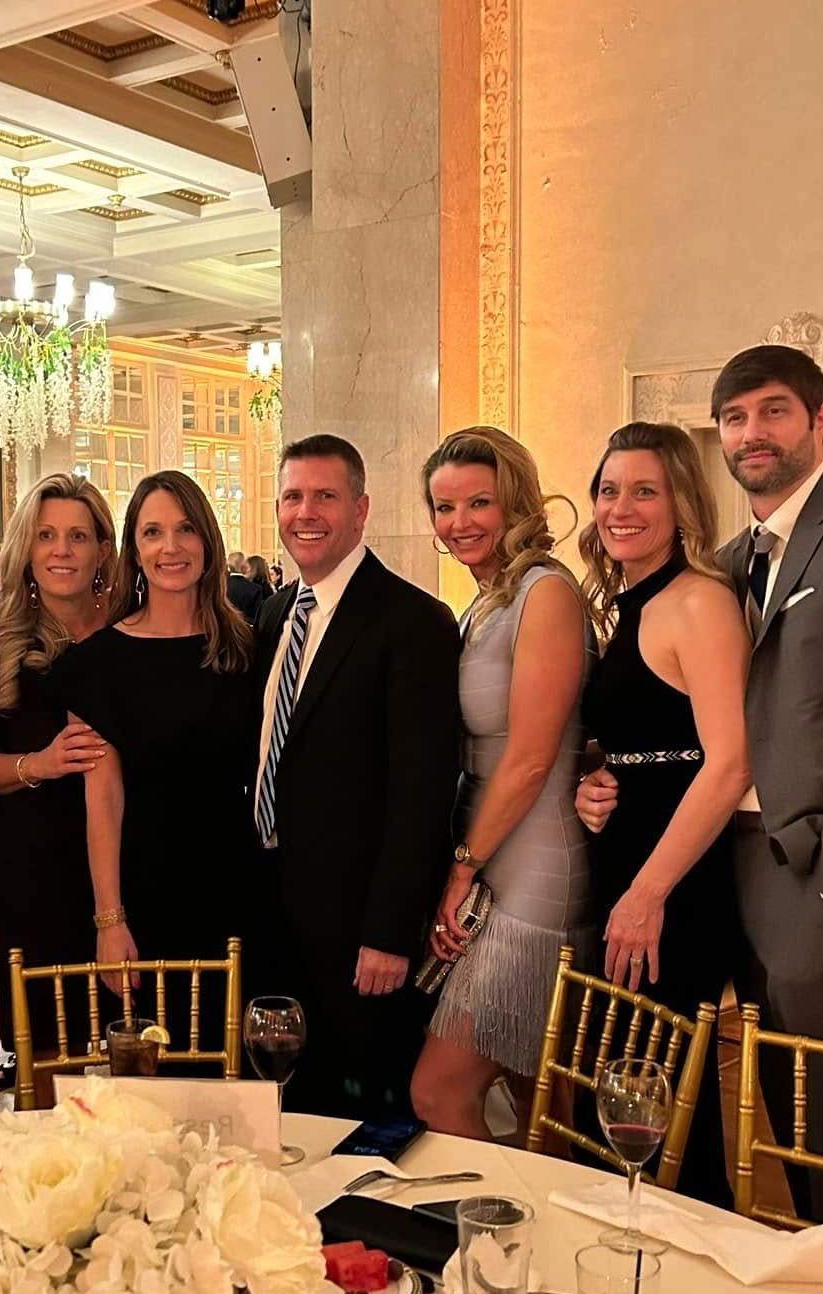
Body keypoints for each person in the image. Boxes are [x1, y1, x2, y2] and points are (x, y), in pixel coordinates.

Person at [583, 347, 823, 1286]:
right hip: (736, 867)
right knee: (786, 1127)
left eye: (774, 412)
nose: (753, 434)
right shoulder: (734, 560)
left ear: (820, 422)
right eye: (736, 419)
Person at [569, 421, 752, 1206]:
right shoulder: (629, 602)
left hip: (673, 886)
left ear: (681, 503)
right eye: (610, 490)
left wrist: (648, 895)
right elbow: (646, 743)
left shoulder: (699, 601)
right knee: (617, 1098)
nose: (621, 507)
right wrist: (597, 785)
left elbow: (730, 762)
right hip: (629, 867)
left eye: (645, 490)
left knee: (659, 1110)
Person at [254, 434, 462, 1118]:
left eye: (324, 496)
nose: (305, 512)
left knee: (369, 1112)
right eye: (292, 496)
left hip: (359, 926)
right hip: (276, 909)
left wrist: (388, 931)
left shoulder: (413, 621)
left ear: (361, 508)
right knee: (292, 1101)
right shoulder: (275, 613)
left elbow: (422, 792)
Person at [408, 428, 594, 1139]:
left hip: (537, 872)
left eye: (478, 502)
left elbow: (531, 760)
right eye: (444, 508)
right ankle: (547, 1240)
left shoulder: (545, 592)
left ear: (513, 499)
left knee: (440, 1092)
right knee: (538, 1109)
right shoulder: (485, 601)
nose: (459, 524)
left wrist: (462, 867)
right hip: (498, 859)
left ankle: (482, 1241)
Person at [57, 471, 253, 1044]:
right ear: (134, 551)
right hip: (145, 894)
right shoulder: (97, 664)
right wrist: (110, 919)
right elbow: (104, 798)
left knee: (240, 1086)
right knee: (153, 1082)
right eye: (153, 532)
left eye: (185, 528)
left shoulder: (246, 648)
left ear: (207, 542)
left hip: (241, 893)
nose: (171, 547)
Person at [0, 474, 114, 1065]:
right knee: (51, 1053)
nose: (62, 550)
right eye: (47, 535)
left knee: (147, 1049)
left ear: (102, 548)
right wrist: (42, 764)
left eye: (78, 536)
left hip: (132, 867)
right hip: (34, 876)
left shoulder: (132, 632)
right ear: (26, 547)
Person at [226, 549, 267, 625]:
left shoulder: (221, 587)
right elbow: (258, 616)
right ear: (243, 567)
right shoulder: (255, 588)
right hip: (247, 631)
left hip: (225, 629)